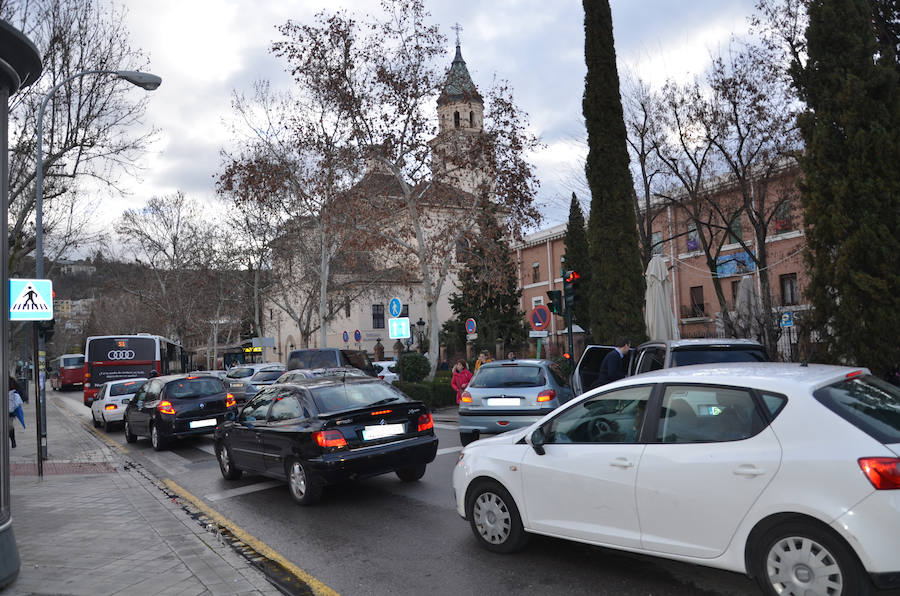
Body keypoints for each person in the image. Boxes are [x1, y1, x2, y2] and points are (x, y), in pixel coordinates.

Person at [8, 377, 24, 448]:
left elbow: (20, 390)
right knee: (10, 425)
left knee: (10, 425)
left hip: (9, 408)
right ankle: (13, 441)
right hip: (10, 408)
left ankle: (13, 441)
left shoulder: (11, 380)